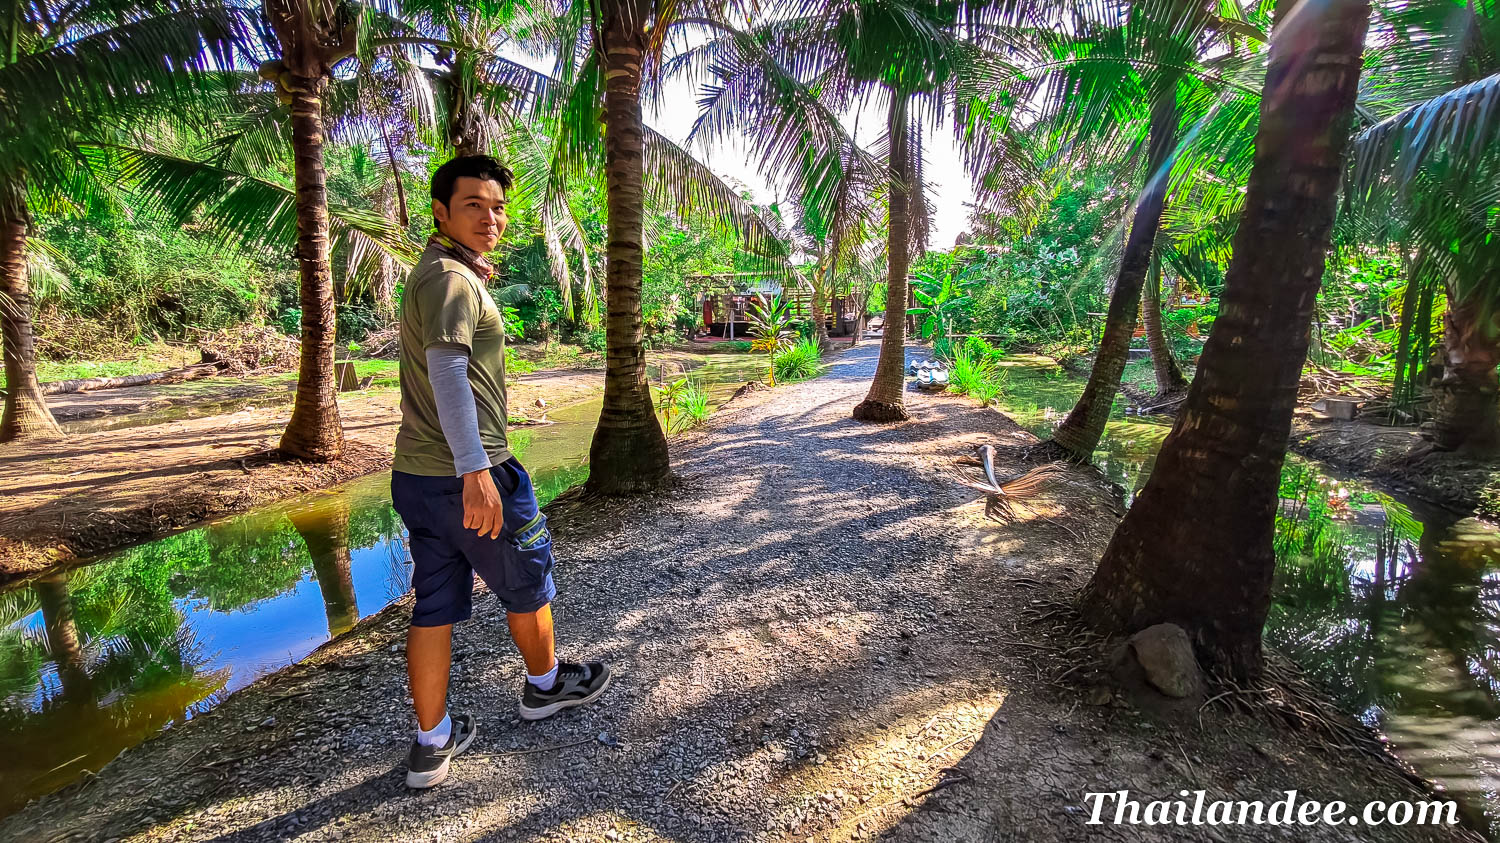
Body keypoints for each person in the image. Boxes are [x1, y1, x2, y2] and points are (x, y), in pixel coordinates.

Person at [391, 155, 612, 789]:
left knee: (433, 605)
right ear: (441, 211)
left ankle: (431, 744)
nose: (490, 218)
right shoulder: (452, 280)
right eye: (473, 206)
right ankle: (544, 687)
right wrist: (477, 472)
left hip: (417, 477)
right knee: (529, 580)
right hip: (470, 472)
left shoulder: (438, 273)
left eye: (496, 207)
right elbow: (449, 377)